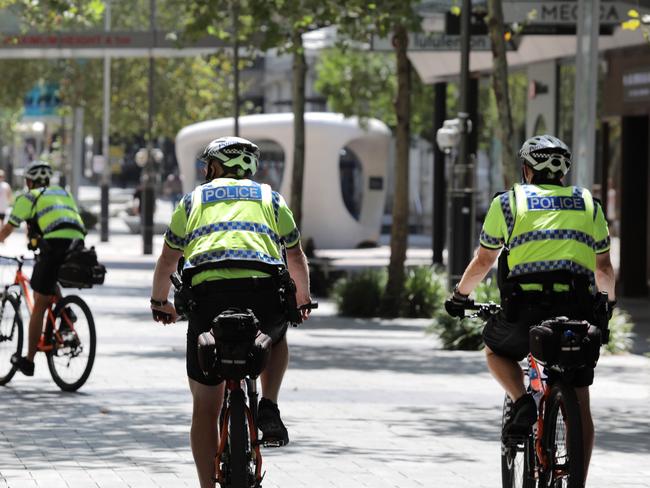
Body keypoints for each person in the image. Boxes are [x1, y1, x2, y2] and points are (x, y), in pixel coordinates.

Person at [445, 135, 616, 480]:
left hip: (526, 312)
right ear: (563, 172)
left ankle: (522, 401)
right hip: (578, 312)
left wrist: (460, 296)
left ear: (526, 169)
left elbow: (483, 261)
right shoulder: (589, 204)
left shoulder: (508, 203)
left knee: (495, 351)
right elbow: (603, 270)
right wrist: (607, 309)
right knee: (580, 401)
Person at [150, 136, 311, 488]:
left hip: (208, 300)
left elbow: (168, 259)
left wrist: (159, 302)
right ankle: (268, 404)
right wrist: (301, 301)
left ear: (216, 167)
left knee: (205, 407)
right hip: (263, 294)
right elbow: (295, 256)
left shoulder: (192, 201)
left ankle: (208, 485)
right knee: (279, 331)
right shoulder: (270, 197)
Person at [0, 161, 86, 376]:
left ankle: (28, 361)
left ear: (29, 181)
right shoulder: (63, 193)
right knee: (50, 283)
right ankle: (65, 315)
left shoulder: (29, 197)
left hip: (55, 245)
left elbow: (8, 229)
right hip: (77, 243)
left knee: (39, 303)